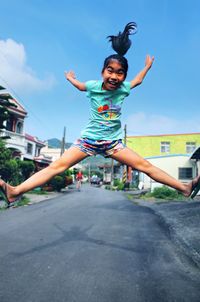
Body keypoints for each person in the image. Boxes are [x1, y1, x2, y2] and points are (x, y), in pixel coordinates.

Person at [0, 22, 200, 206]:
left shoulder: (123, 89)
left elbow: (137, 81)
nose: (114, 76)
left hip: (113, 143)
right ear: (102, 71)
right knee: (56, 167)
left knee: (144, 165)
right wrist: (70, 78)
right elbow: (80, 87)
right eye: (110, 71)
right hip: (89, 140)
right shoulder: (94, 86)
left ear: (124, 76)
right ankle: (15, 191)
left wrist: (147, 67)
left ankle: (184, 187)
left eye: (120, 73)